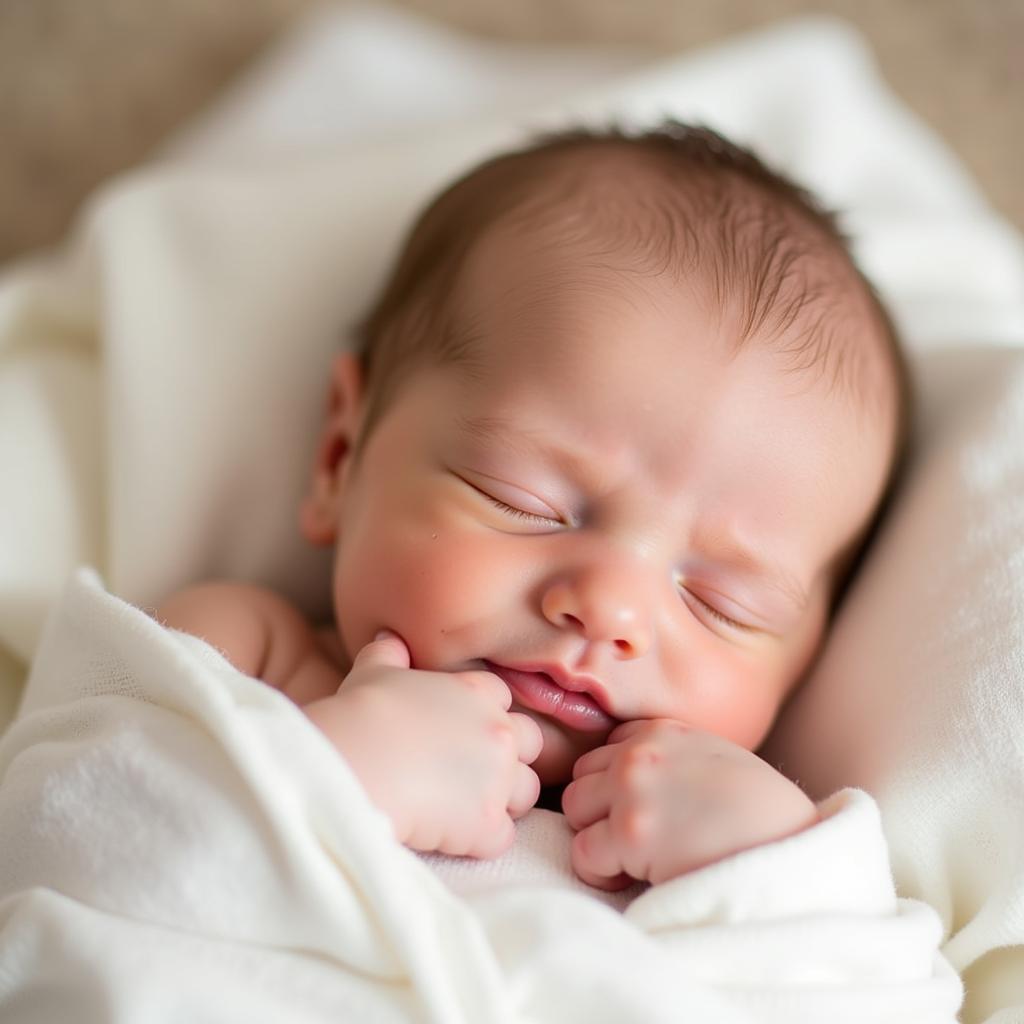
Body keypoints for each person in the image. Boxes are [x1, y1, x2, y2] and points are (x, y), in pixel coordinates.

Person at [155, 121, 907, 892]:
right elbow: (60, 847)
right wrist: (329, 779)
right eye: (526, 501)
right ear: (340, 458)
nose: (612, 609)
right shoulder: (246, 658)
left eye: (724, 602)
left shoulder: (745, 849)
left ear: (806, 658)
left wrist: (775, 877)